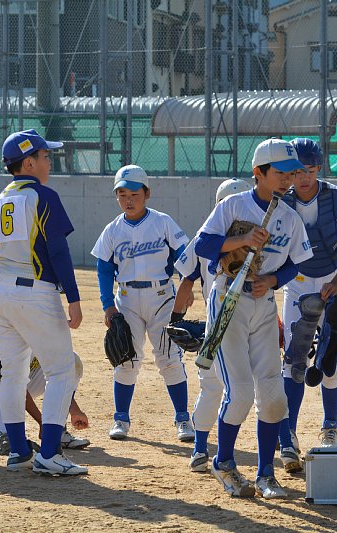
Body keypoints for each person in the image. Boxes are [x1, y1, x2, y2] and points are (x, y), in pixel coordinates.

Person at [195, 138, 312, 499]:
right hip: (229, 298)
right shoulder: (233, 205)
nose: (288, 180)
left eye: (292, 174)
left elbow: (296, 263)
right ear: (258, 172)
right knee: (241, 392)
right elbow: (202, 245)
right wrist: (242, 239)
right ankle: (224, 462)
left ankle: (266, 475)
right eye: (280, 173)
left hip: (264, 303)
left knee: (273, 395)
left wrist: (273, 280)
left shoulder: (290, 217)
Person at [0, 129, 86, 475]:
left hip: (2, 292)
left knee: (12, 374)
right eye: (44, 156)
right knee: (62, 370)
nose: (49, 161)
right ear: (28, 163)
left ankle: (19, 451)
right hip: (35, 291)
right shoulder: (43, 196)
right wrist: (73, 298)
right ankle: (50, 453)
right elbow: (58, 251)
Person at [277, 138, 337, 473]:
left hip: (333, 278)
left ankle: (330, 426)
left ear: (319, 169)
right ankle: (288, 434)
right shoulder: (282, 200)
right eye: (298, 171)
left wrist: (336, 283)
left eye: (311, 171)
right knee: (294, 358)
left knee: (330, 355)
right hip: (297, 281)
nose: (304, 178)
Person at [91, 165, 192, 442]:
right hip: (126, 300)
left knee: (169, 358)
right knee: (126, 359)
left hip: (162, 298)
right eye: (122, 194)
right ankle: (121, 418)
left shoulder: (162, 222)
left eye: (134, 194)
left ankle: (183, 419)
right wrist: (107, 304)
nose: (128, 200)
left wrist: (186, 285)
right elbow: (103, 269)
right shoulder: (112, 230)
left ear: (147, 193)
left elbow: (184, 255)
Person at [172, 178, 252, 473]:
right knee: (216, 386)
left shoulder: (253, 236)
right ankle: (200, 448)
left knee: (246, 384)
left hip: (244, 319)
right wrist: (175, 320)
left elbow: (187, 281)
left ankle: (202, 448)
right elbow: (186, 281)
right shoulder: (207, 238)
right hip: (221, 319)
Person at [0, 350, 90, 455]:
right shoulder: (10, 334)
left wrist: (74, 410)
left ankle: (58, 431)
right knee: (3, 440)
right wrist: (42, 422)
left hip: (27, 380)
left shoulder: (44, 331)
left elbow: (59, 377)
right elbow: (17, 386)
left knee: (70, 360)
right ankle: (50, 429)